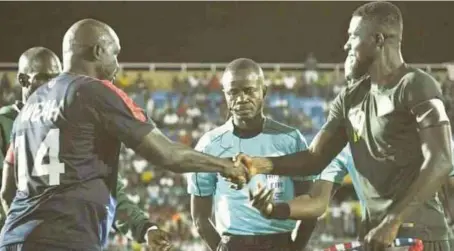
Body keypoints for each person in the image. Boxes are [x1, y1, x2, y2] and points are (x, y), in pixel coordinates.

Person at [0, 19, 248, 251]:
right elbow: (168, 155)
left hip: (13, 238)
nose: (117, 65)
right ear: (98, 52)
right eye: (114, 54)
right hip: (66, 238)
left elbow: (8, 190)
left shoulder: (29, 107)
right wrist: (225, 166)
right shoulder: (94, 91)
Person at [236, 2, 452, 251]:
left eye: (352, 36)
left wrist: (393, 221)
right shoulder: (350, 98)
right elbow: (314, 159)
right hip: (375, 238)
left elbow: (441, 159)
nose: (346, 44)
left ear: (378, 39)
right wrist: (258, 165)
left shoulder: (416, 85)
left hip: (420, 237)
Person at [0, 47, 172, 250]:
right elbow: (6, 192)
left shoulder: (73, 116)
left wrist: (144, 228)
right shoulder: (6, 122)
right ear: (23, 80)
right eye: (44, 78)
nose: (52, 85)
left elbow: (107, 188)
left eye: (56, 77)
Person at [186, 58, 339, 251]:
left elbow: (310, 204)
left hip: (281, 244)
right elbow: (200, 218)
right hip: (233, 244)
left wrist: (296, 248)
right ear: (224, 94)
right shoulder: (209, 145)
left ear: (263, 92)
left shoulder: (291, 139)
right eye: (233, 92)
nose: (241, 98)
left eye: (249, 90)